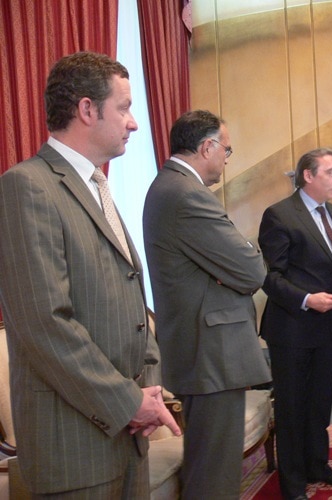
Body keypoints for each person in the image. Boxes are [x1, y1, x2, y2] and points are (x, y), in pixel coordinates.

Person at [0, 51, 181, 498]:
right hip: (73, 445)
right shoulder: (27, 186)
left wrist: (149, 391)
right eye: (123, 107)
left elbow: (129, 297)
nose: (134, 122)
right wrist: (127, 402)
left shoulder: (95, 186)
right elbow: (45, 322)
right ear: (86, 109)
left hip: (127, 434)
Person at [143, 109, 271, 499]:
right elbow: (252, 269)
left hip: (205, 349)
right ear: (206, 146)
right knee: (213, 475)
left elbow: (239, 263)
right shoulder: (186, 194)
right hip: (210, 352)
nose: (227, 160)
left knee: (213, 466)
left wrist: (231, 264)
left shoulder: (174, 187)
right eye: (227, 150)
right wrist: (240, 259)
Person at [258, 148, 332, 500]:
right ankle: (293, 482)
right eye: (331, 172)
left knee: (319, 403)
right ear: (308, 176)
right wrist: (307, 299)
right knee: (292, 407)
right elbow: (270, 277)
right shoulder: (279, 215)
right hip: (292, 328)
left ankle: (317, 465)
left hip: (327, 329)